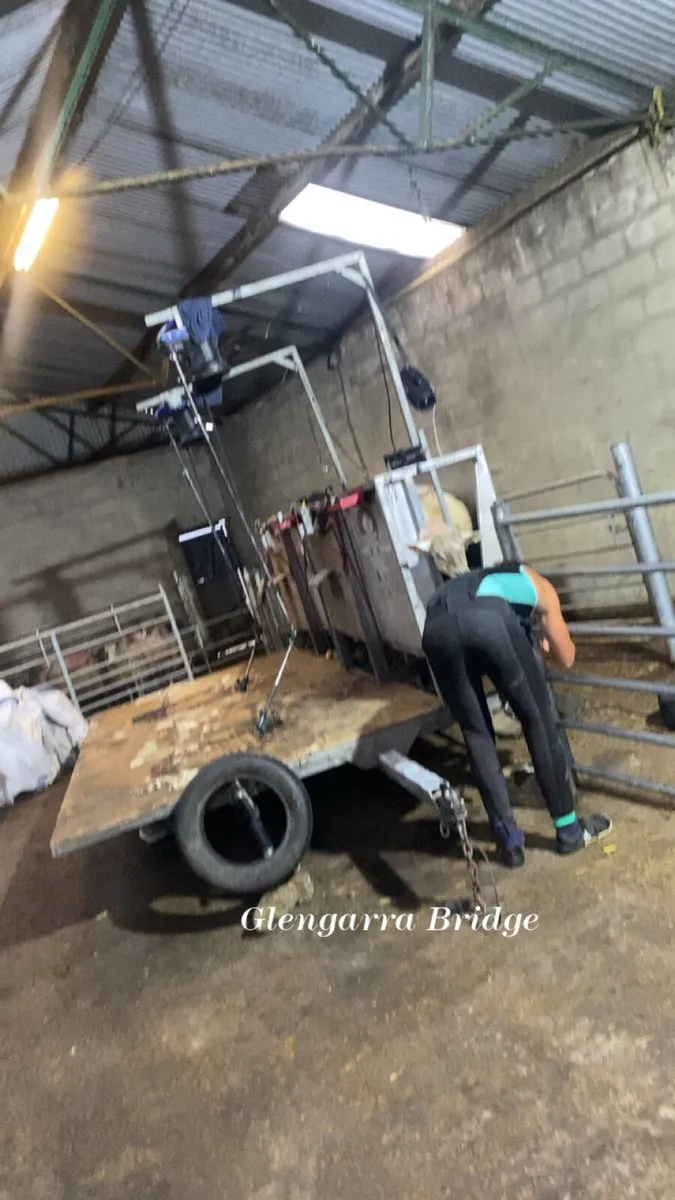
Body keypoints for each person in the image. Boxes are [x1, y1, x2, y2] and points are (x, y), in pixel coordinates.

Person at [419, 526, 612, 868]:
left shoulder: (441, 595)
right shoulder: (525, 579)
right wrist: (542, 644)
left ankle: (509, 843)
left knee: (477, 734)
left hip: (436, 631)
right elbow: (567, 656)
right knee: (536, 719)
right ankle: (569, 832)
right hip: (490, 623)